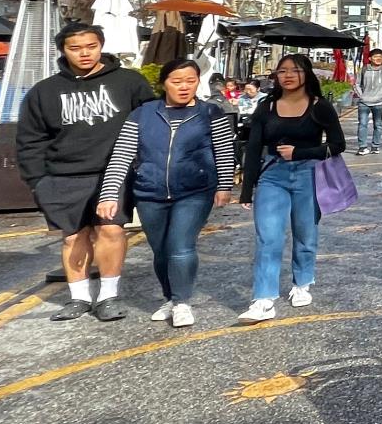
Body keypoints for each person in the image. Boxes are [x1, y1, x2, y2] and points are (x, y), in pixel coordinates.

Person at [17, 22, 156, 322]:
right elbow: (30, 139)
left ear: (101, 46)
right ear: (63, 50)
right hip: (63, 175)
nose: (84, 54)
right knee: (72, 238)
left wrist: (143, 167)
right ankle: (78, 297)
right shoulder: (45, 91)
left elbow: (150, 124)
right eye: (75, 48)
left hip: (114, 171)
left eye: (91, 46)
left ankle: (108, 295)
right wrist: (37, 182)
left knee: (110, 229)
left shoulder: (130, 82)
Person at [97, 58, 236, 329]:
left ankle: (182, 302)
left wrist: (224, 185)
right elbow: (122, 155)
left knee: (180, 247)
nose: (184, 87)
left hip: (194, 191)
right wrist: (109, 193)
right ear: (164, 83)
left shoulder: (211, 113)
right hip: (150, 192)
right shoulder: (143, 113)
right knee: (160, 251)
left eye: (191, 81)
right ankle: (170, 298)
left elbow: (224, 150)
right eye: (176, 81)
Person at [239, 53, 347, 322]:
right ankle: (263, 299)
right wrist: (246, 187)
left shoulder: (320, 106)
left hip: (308, 174)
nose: (287, 75)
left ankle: (302, 283)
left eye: (295, 70)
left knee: (305, 235)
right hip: (272, 175)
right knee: (268, 238)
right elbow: (253, 147)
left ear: (307, 74)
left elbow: (338, 144)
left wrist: (301, 152)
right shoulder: (267, 106)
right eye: (282, 70)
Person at [352, 47, 382, 155]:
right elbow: (356, 83)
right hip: (364, 102)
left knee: (378, 125)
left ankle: (375, 146)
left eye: (380, 57)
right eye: (376, 57)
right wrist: (361, 95)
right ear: (370, 58)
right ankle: (362, 147)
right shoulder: (363, 69)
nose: (378, 59)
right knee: (362, 124)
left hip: (379, 103)